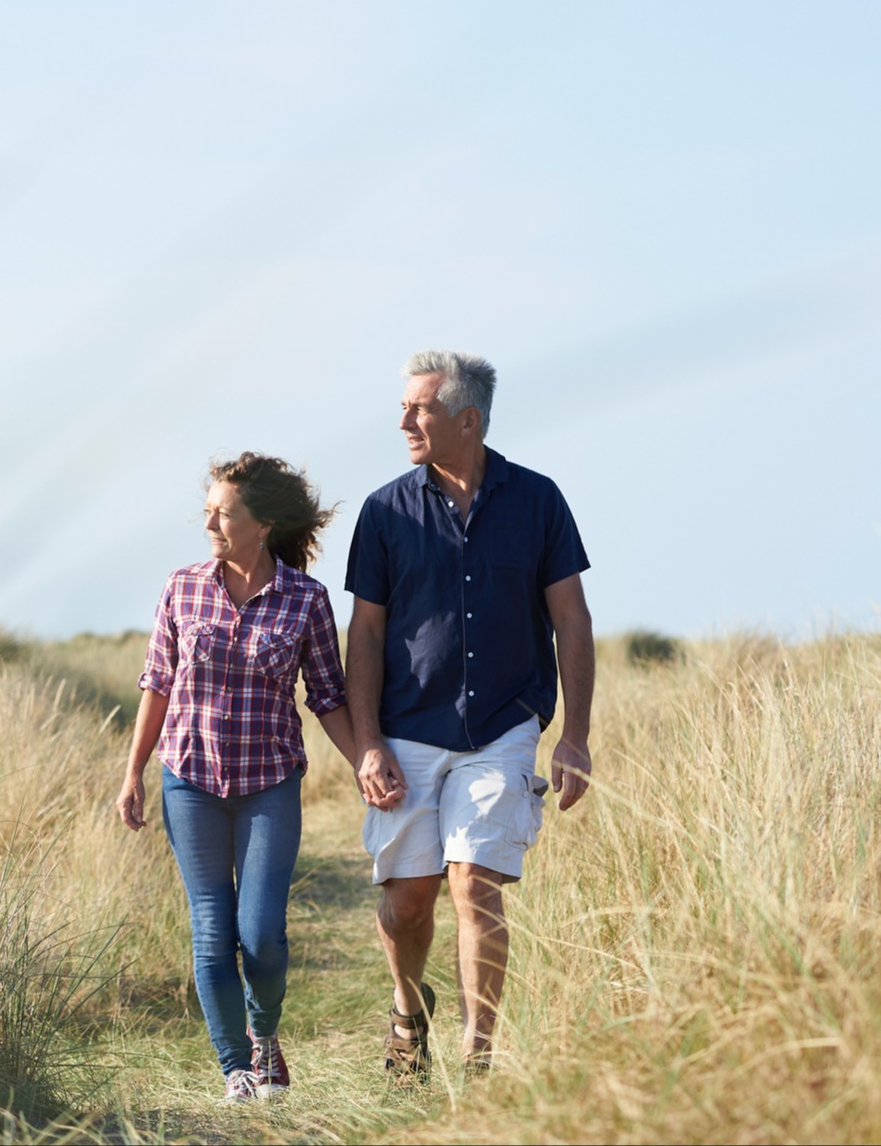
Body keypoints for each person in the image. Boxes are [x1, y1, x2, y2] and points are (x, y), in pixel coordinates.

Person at [345, 349, 594, 1079]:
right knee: (408, 900)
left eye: (419, 408)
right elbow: (364, 631)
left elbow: (571, 621)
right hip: (406, 727)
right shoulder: (385, 509)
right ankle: (406, 1006)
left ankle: (477, 1055)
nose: (403, 420)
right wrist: (366, 743)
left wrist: (573, 737)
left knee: (472, 882)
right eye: (405, 407)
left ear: (467, 418)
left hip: (505, 725)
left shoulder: (538, 501)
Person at [116, 452, 355, 1104]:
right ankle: (236, 1068)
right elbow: (157, 683)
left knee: (262, 934)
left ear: (264, 523)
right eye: (209, 510)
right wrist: (133, 771)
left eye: (224, 512)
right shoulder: (182, 586)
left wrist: (365, 759)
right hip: (189, 779)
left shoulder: (306, 600)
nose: (210, 522)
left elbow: (328, 695)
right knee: (214, 930)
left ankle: (265, 1032)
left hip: (269, 782)